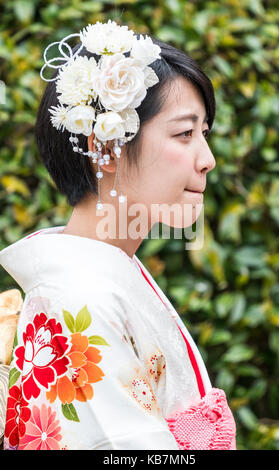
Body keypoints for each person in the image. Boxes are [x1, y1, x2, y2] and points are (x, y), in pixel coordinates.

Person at [0, 20, 236, 450]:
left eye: (204, 133)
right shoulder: (76, 296)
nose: (208, 160)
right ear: (104, 147)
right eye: (184, 134)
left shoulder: (104, 275)